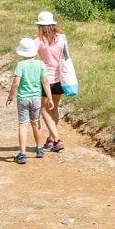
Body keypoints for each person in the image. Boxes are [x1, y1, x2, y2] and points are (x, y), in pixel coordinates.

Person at [6, 37, 53, 164]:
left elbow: (16, 83)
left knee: (23, 124)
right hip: (36, 97)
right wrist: (49, 97)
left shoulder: (21, 65)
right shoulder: (40, 64)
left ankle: (22, 154)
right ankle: (39, 149)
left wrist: (10, 97)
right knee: (36, 122)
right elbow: (45, 81)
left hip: (23, 98)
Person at [34, 10, 66, 152]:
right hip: (60, 78)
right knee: (54, 109)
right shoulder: (62, 38)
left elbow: (30, 56)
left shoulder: (39, 41)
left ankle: (57, 139)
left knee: (44, 109)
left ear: (40, 26)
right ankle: (51, 139)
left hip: (45, 79)